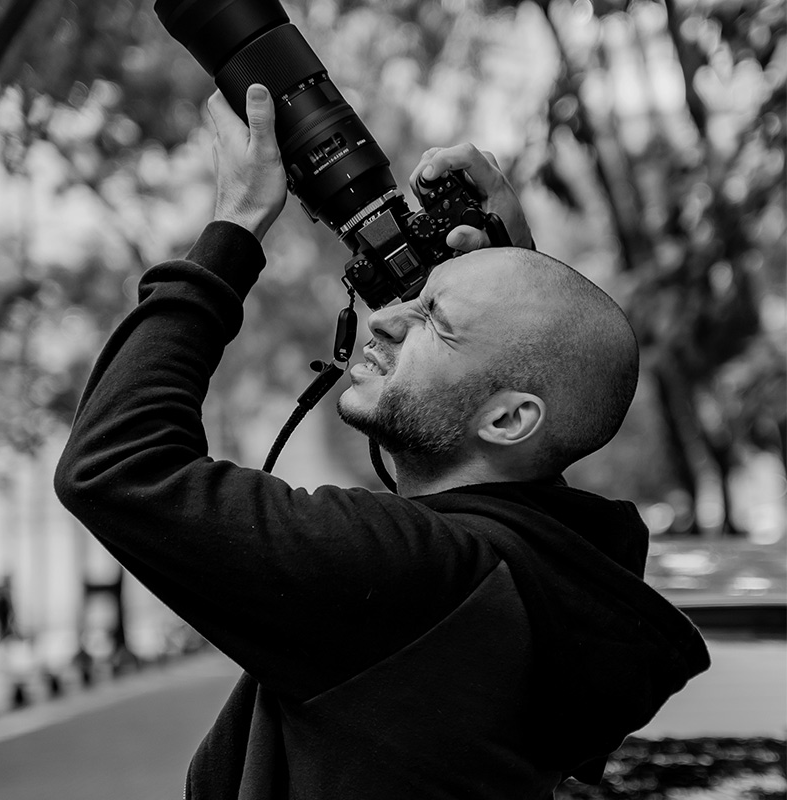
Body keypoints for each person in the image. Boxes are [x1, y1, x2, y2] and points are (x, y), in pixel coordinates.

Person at [54, 84, 710, 799]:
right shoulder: (549, 581)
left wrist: (236, 223)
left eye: (435, 321)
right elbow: (525, 442)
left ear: (508, 422)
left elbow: (117, 464)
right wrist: (508, 271)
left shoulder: (416, 576)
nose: (387, 318)